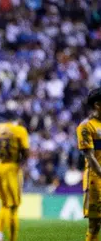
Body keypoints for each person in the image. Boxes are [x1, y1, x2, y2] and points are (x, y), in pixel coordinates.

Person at [0, 113, 30, 241]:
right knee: (13, 206)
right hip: (12, 168)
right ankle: (13, 238)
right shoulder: (19, 130)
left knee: (5, 203)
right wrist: (21, 164)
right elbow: (26, 151)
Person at [76, 87, 101, 241]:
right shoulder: (86, 126)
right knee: (95, 224)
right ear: (98, 104)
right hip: (95, 180)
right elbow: (90, 157)